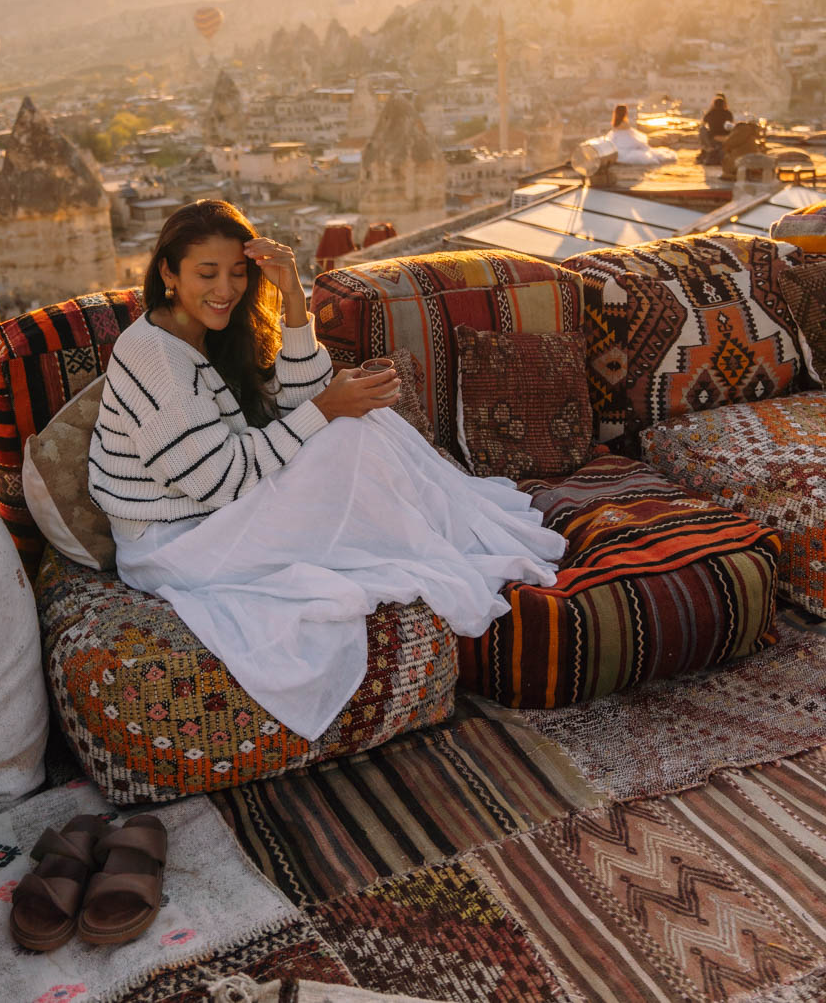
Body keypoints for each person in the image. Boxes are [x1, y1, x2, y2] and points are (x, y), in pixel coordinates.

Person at [88, 199, 565, 741]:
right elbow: (215, 480)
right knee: (346, 431)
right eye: (206, 273)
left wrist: (293, 296)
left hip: (216, 511)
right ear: (168, 273)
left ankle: (453, 536)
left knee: (359, 421)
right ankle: (451, 541)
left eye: (238, 273)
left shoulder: (210, 331)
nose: (225, 288)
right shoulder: (153, 353)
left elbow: (303, 398)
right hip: (177, 543)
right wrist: (328, 409)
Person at [579, 104, 678, 168]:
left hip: (616, 138)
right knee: (641, 149)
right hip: (625, 138)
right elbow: (628, 130)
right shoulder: (624, 123)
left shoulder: (615, 122)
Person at [698, 93, 733, 163]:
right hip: (725, 137)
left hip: (713, 137)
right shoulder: (728, 113)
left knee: (702, 129)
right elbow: (730, 126)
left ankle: (708, 148)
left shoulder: (710, 113)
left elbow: (702, 124)